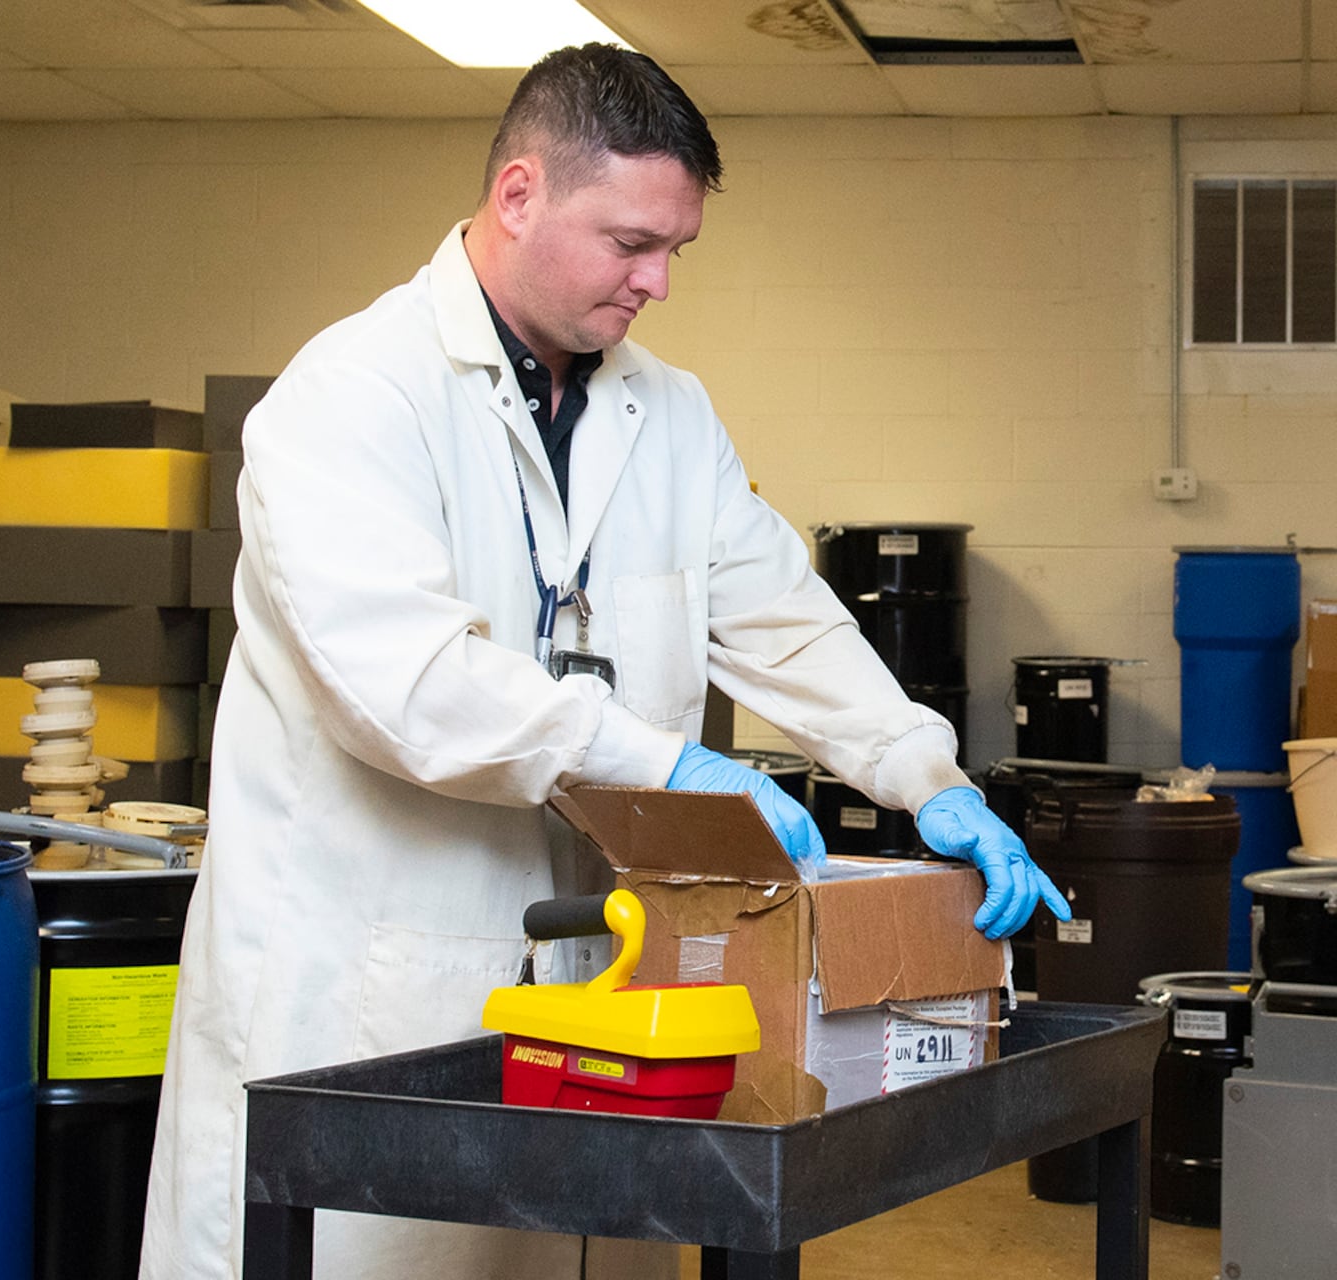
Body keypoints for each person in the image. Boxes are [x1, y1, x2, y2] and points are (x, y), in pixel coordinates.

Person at [140, 42, 1070, 1280]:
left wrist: (924, 776)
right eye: (631, 242)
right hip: (369, 989)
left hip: (602, 990)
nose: (659, 282)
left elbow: (783, 616)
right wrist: (667, 765)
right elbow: (407, 686)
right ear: (518, 195)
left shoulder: (667, 415)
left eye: (677, 249)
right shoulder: (352, 397)